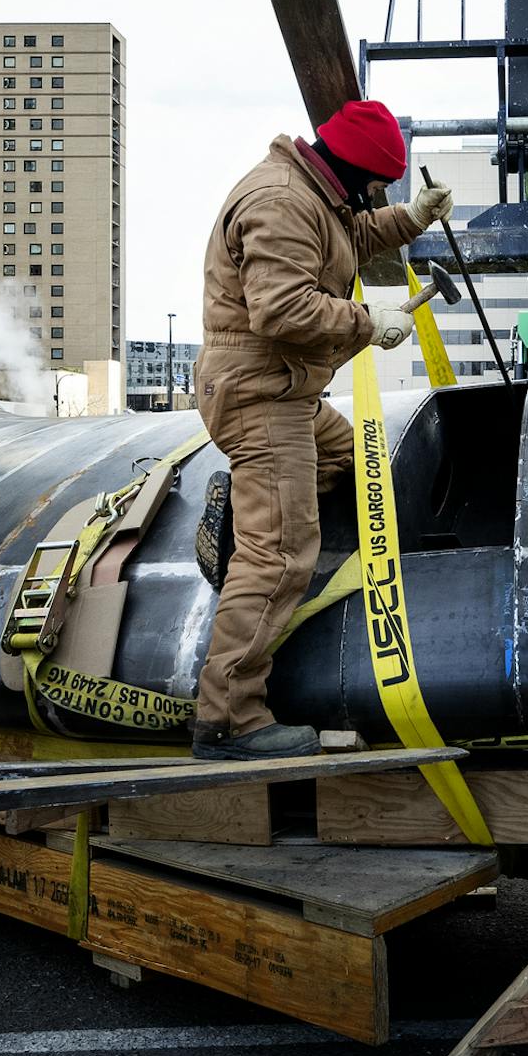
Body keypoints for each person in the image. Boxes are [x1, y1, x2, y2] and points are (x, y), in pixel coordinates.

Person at [188, 101, 451, 759]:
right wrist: (370, 321)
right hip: (261, 394)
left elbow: (349, 239)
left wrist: (411, 220)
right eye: (377, 187)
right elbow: (280, 309)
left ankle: (250, 518)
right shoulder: (280, 202)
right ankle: (228, 718)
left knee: (353, 465)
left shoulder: (312, 194)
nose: (376, 198)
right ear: (353, 171)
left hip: (287, 391)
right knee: (282, 549)